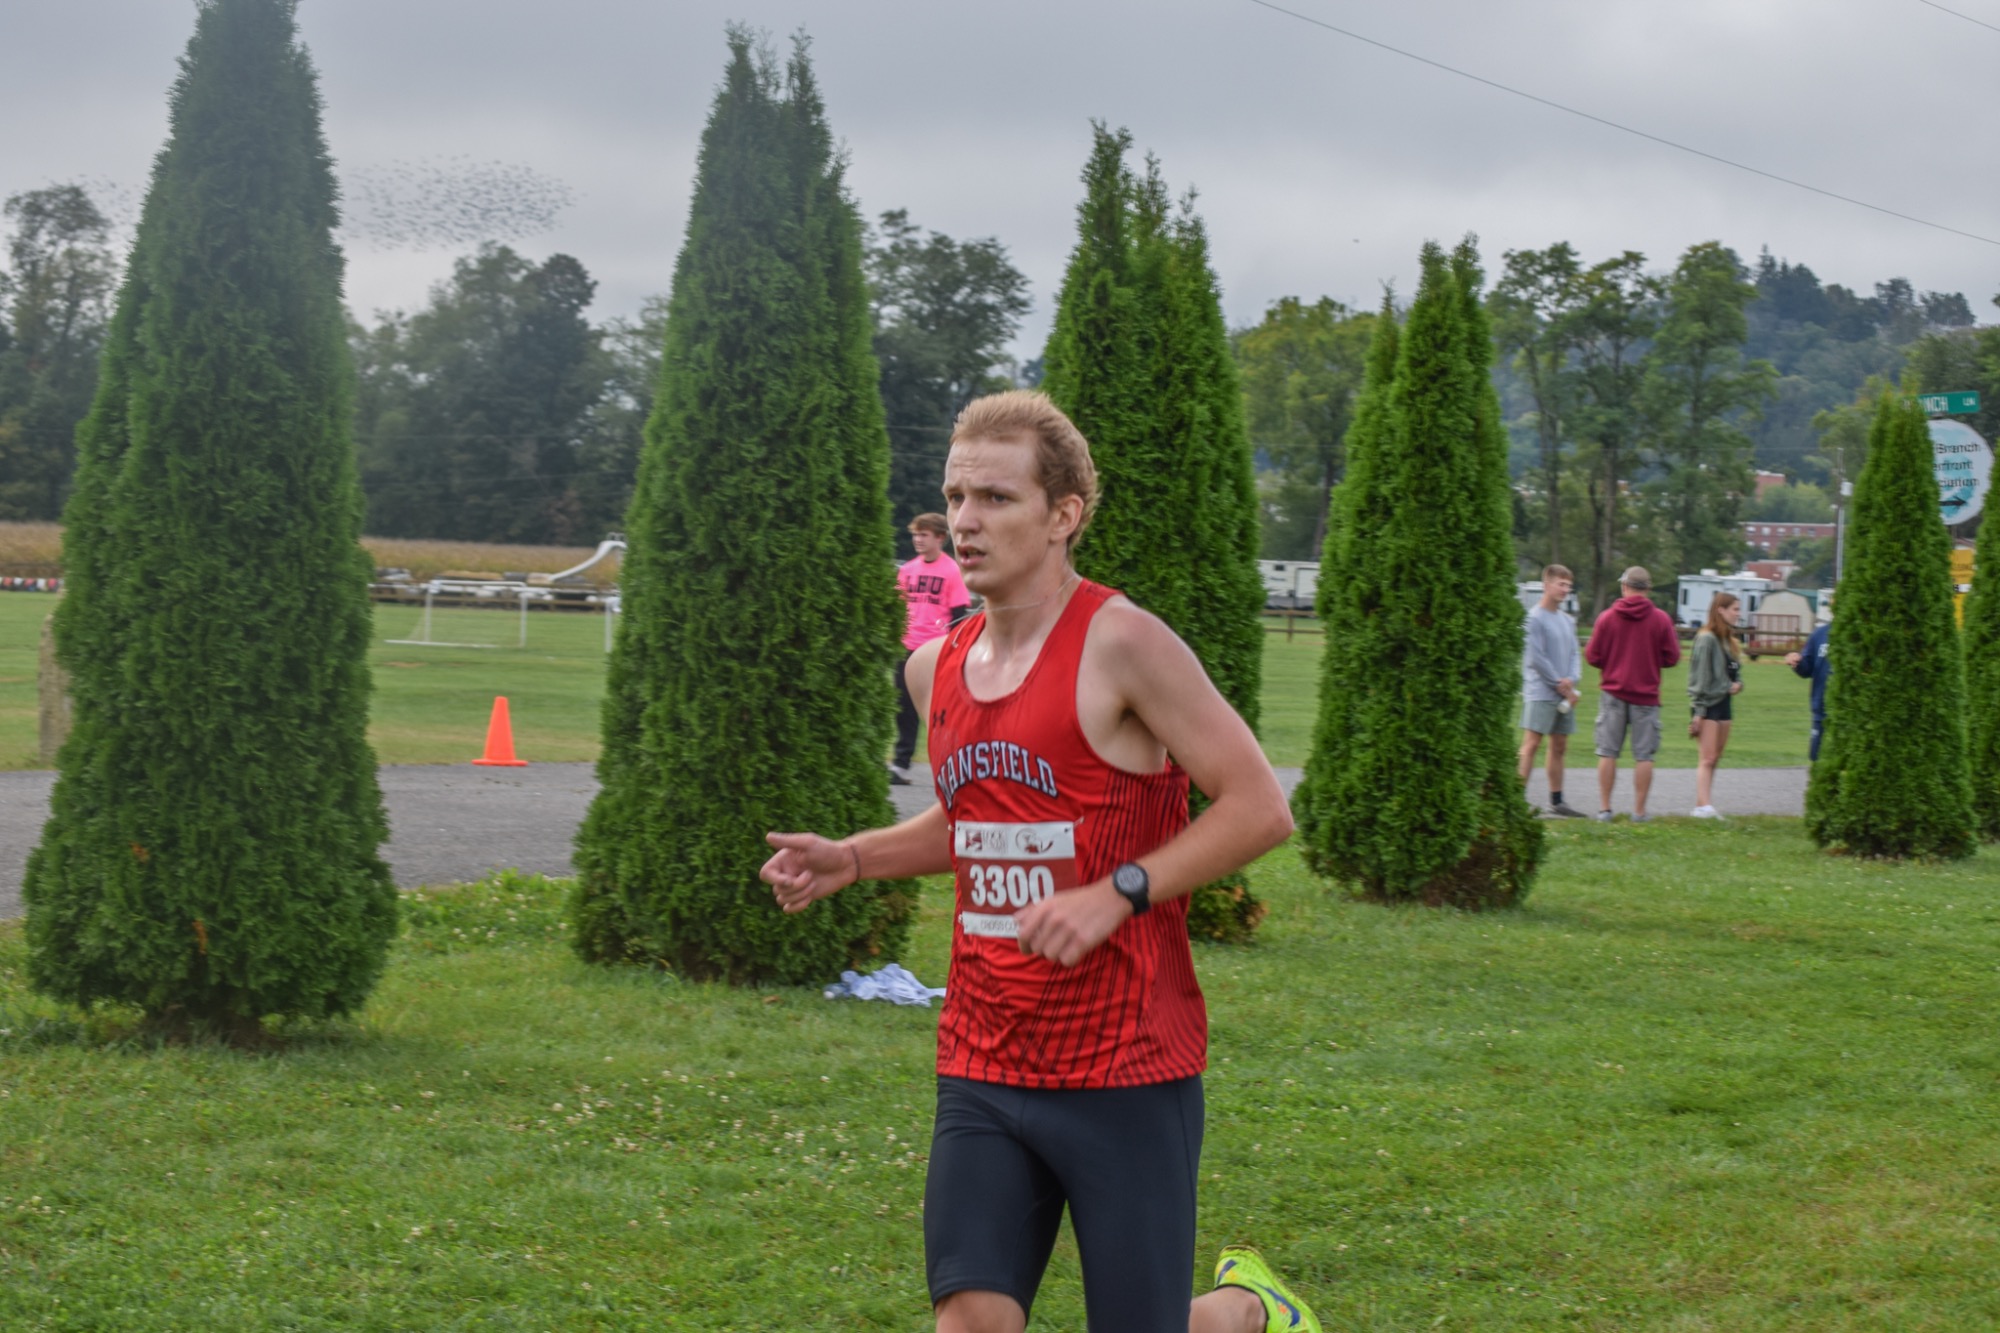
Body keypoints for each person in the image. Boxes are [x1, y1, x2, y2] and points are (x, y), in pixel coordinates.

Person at [761, 391, 1317, 1333]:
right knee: (971, 1317)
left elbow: (1261, 806)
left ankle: (1247, 1310)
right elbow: (974, 821)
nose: (967, 521)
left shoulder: (1123, 643)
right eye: (956, 494)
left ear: (1064, 515)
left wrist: (1120, 891)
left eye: (997, 498)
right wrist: (853, 857)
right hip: (984, 1052)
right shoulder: (935, 666)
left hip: (1126, 1064)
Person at [1585, 566, 1681, 823]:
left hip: (1613, 693)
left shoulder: (1607, 618)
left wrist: (1613, 661)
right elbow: (1672, 657)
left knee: (1608, 751)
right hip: (1646, 696)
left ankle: (1605, 809)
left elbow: (1592, 656)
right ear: (1648, 589)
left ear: (1624, 587)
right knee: (1644, 755)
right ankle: (1639, 812)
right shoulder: (1661, 619)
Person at [891, 513, 971, 784]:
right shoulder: (907, 570)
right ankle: (901, 765)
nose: (917, 540)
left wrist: (951, 651)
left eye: (924, 535)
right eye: (915, 535)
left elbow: (959, 614)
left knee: (939, 709)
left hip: (935, 650)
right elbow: (896, 608)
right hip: (906, 647)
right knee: (904, 706)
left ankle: (951, 764)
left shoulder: (951, 571)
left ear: (939, 538)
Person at [1518, 563, 1586, 817]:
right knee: (1531, 744)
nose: (1565, 589)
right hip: (1541, 692)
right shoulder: (1534, 618)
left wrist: (1572, 679)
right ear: (1547, 585)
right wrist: (1558, 682)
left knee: (1559, 746)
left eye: (1568, 585)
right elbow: (1536, 657)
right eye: (1561, 584)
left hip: (1563, 694)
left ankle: (1557, 801)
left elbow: (1573, 654)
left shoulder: (1567, 620)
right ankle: (1516, 800)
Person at [1686, 592, 1744, 818]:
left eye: (1739, 609)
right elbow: (1698, 678)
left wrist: (1738, 684)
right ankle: (1702, 806)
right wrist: (1698, 712)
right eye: (1735, 609)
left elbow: (1733, 673)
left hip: (1724, 703)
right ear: (1721, 610)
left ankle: (1704, 803)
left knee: (1716, 757)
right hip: (1707, 704)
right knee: (1707, 757)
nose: (1738, 614)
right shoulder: (1706, 638)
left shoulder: (1729, 641)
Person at [1786, 616, 1831, 761]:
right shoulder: (1820, 634)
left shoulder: (1855, 633)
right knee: (1817, 757)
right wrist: (1797, 662)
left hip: (1848, 711)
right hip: (1822, 710)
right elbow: (1807, 668)